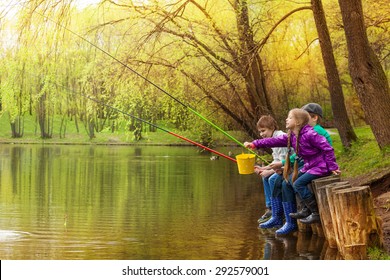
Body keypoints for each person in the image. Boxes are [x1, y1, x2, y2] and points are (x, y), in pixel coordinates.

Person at [245, 108, 340, 226]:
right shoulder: (293, 136)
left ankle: (315, 212)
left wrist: (332, 166)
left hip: (320, 166)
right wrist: (254, 144)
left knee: (298, 183)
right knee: (291, 180)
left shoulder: (311, 134)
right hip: (310, 166)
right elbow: (273, 141)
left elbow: (327, 148)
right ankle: (306, 209)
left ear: (298, 122)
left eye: (290, 117)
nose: (286, 119)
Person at [254, 115, 290, 224]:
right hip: (282, 167)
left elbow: (283, 162)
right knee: (265, 178)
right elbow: (276, 160)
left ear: (272, 127)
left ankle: (278, 213)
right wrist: (262, 168)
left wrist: (269, 171)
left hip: (290, 168)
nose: (261, 134)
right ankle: (270, 207)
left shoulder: (280, 138)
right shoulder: (272, 139)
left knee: (271, 179)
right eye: (260, 132)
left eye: (263, 130)